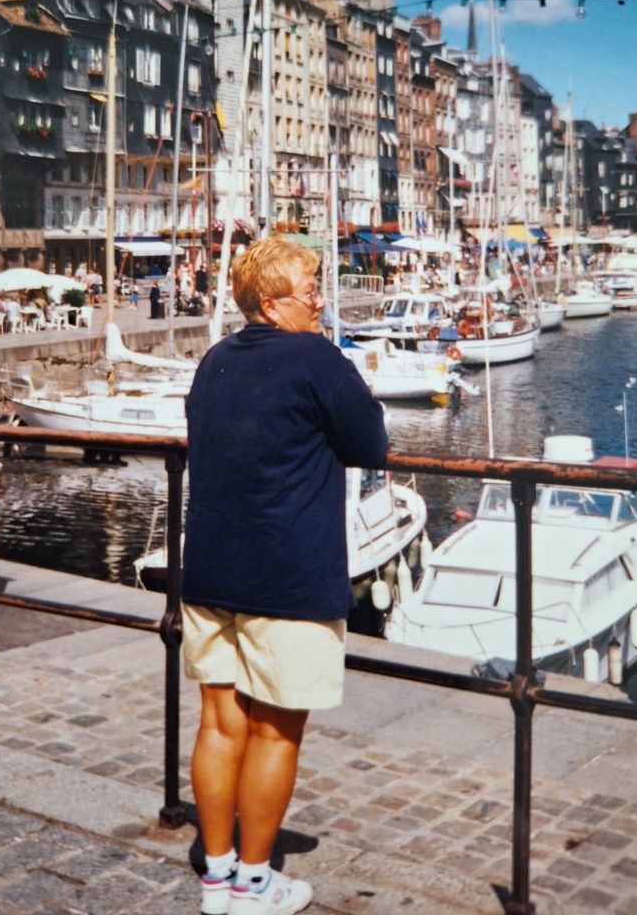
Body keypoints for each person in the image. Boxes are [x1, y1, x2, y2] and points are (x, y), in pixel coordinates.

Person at [182, 237, 389, 915]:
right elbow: (369, 444)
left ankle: (216, 880)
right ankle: (254, 884)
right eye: (310, 290)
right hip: (287, 572)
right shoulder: (314, 358)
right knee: (274, 731)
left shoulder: (215, 359)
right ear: (271, 305)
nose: (320, 300)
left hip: (211, 568)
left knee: (219, 725)